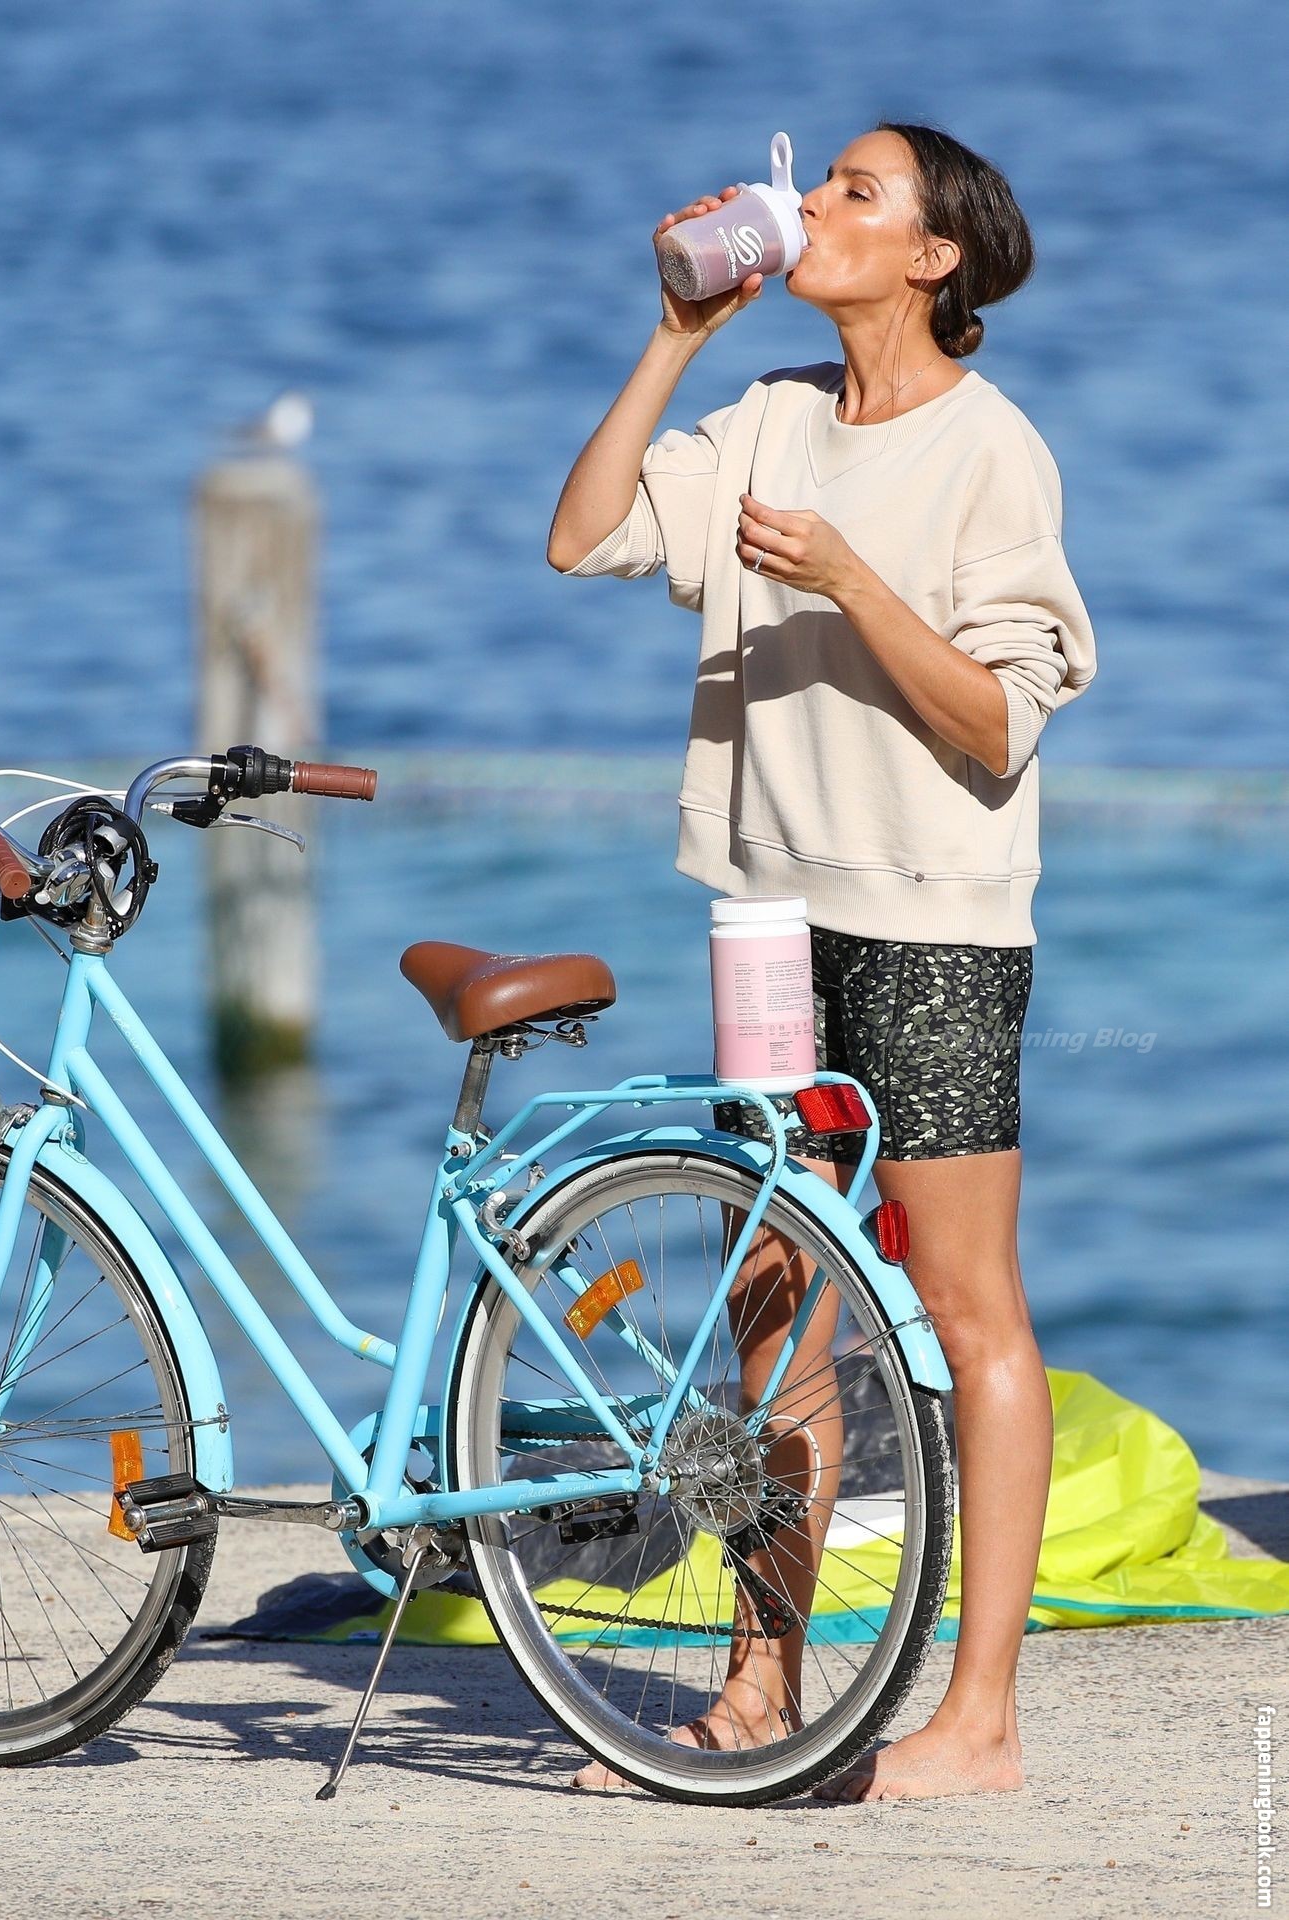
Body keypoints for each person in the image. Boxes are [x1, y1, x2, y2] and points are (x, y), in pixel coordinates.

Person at [546, 120, 1097, 1801]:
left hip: (932, 918)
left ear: (932, 256)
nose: (814, 210)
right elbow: (583, 537)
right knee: (772, 1314)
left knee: (966, 1309)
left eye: (858, 191)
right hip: (764, 916)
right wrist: (673, 336)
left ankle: (978, 1723)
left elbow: (997, 724)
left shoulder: (992, 449)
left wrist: (848, 575)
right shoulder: (770, 415)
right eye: (822, 185)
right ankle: (759, 1688)